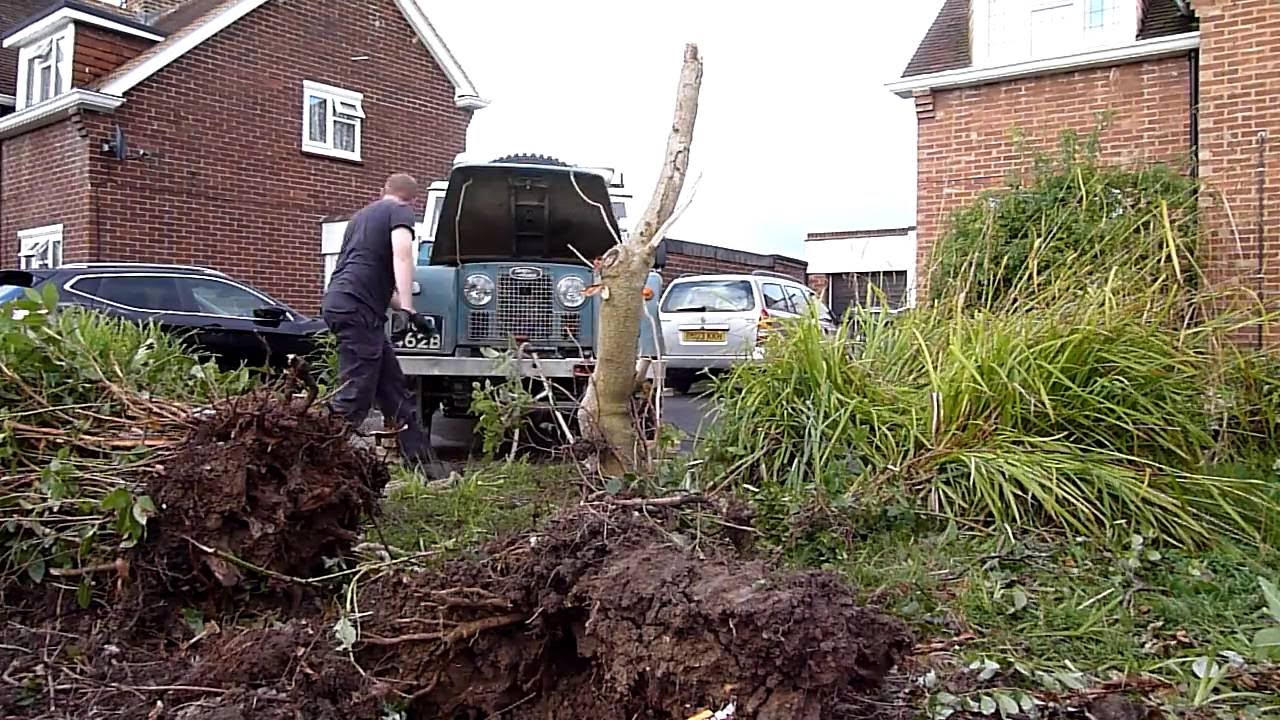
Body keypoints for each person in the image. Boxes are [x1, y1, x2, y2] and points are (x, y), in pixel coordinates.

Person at [322, 173, 439, 473]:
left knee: (393, 389)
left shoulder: (360, 218)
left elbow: (375, 283)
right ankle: (315, 452)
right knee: (357, 393)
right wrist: (410, 308)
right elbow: (403, 256)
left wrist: (406, 309)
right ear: (414, 199)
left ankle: (426, 467)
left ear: (382, 190)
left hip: (342, 301)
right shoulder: (399, 211)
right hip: (357, 308)